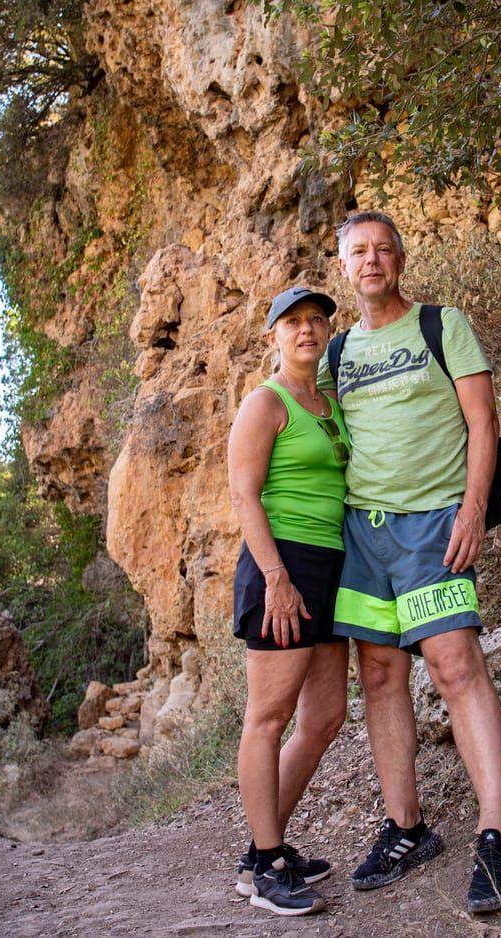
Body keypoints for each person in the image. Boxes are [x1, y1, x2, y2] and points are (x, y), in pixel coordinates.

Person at [323, 211, 501, 913]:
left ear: (401, 260)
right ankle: (407, 828)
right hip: (364, 535)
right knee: (380, 676)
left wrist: (472, 509)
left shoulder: (444, 326)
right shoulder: (335, 354)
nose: (372, 260)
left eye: (383, 248)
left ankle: (498, 835)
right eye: (359, 252)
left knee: (454, 666)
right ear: (344, 268)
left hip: (433, 526)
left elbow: (483, 421)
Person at [225, 286, 352, 916]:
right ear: (274, 335)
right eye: (293, 322)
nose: (307, 330)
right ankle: (268, 863)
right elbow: (245, 495)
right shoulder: (264, 402)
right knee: (268, 718)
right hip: (283, 565)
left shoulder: (328, 403)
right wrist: (275, 576)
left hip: (333, 566)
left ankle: (260, 850)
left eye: (316, 321)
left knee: (326, 716)